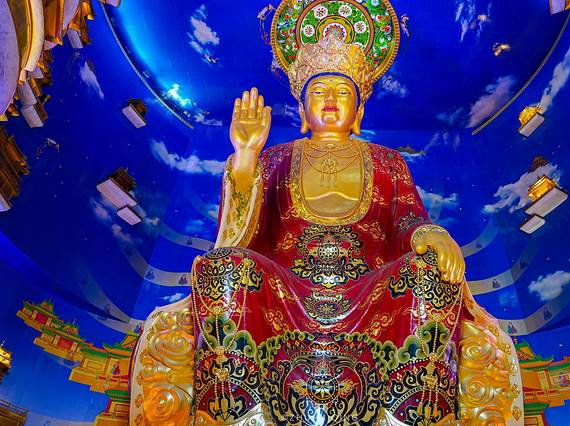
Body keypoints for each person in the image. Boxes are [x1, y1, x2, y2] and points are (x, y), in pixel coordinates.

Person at [130, 5, 522, 426]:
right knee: (224, 267)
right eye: (318, 91)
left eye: (342, 92)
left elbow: (408, 217)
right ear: (302, 111)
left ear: (359, 111)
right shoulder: (274, 158)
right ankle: (243, 416)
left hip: (371, 288)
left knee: (430, 274)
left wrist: (430, 234)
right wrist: (244, 158)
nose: (331, 99)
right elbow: (239, 234)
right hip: (285, 289)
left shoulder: (389, 161)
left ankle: (404, 416)